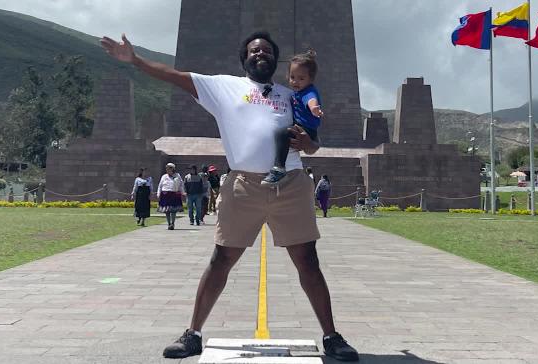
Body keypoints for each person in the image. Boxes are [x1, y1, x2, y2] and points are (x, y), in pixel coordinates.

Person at [100, 31, 359, 361]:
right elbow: (175, 76)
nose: (260, 54)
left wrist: (308, 145)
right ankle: (192, 334)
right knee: (221, 260)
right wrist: (135, 60)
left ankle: (332, 337)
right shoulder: (223, 87)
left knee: (308, 261)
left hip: (290, 185)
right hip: (243, 187)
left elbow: (313, 141)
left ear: (274, 61)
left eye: (266, 51)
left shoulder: (290, 95)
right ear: (244, 59)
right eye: (254, 51)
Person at [263, 49, 323, 185]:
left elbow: (311, 100)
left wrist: (314, 108)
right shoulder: (296, 92)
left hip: (305, 129)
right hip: (305, 128)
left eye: (301, 78)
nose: (296, 81)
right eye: (292, 77)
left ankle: (279, 168)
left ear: (311, 79)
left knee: (282, 134)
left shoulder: (307, 92)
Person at [157, 163, 185, 230]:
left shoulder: (177, 176)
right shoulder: (164, 176)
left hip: (174, 194)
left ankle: (173, 223)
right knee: (167, 210)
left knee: (173, 210)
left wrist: (182, 192)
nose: (167, 169)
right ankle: (169, 223)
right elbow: (160, 185)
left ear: (173, 169)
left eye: (169, 168)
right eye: (167, 168)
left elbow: (181, 184)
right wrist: (158, 193)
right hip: (165, 194)